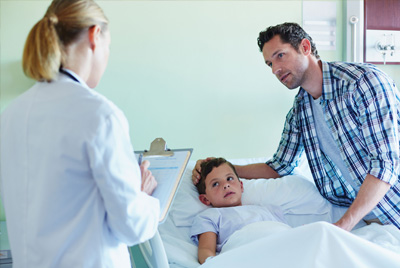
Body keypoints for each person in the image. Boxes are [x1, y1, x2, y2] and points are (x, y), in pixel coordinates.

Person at [193, 22, 400, 232]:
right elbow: (279, 167)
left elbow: (384, 165)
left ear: (305, 47)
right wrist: (219, 169)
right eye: (269, 64)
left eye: (280, 56)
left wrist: (342, 226)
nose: (275, 69)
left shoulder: (363, 83)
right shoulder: (301, 110)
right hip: (374, 222)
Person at [0, 1, 160, 267]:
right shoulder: (100, 116)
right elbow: (132, 227)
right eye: (108, 47)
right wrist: (143, 196)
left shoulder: (10, 115)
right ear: (95, 35)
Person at [190, 158, 288, 264]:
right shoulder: (210, 216)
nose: (226, 185)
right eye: (215, 184)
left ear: (241, 186)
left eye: (229, 178)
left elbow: (287, 233)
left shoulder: (267, 209)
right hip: (247, 256)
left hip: (281, 249)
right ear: (205, 199)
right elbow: (206, 250)